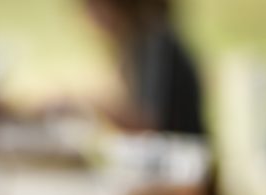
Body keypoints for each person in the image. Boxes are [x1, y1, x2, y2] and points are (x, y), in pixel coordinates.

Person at [82, 0, 205, 136]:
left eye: (94, 6)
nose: (89, 16)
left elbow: (147, 122)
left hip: (183, 150)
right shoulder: (134, 42)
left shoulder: (154, 40)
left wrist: (90, 105)